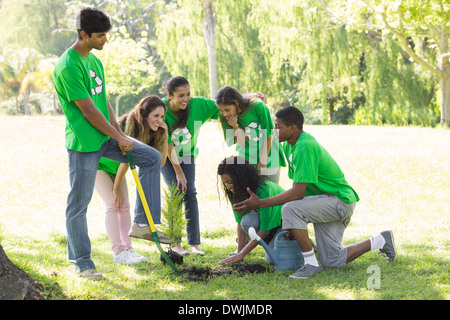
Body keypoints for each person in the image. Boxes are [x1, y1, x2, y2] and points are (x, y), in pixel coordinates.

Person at [53, 8, 169, 280]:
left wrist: (121, 135)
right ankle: (82, 263)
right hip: (84, 145)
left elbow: (104, 103)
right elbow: (89, 111)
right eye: (101, 35)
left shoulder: (95, 62)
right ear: (84, 35)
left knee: (151, 158)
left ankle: (142, 223)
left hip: (106, 137)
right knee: (78, 205)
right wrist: (118, 137)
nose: (106, 40)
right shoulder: (68, 66)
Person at [233, 106, 396, 279]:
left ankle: (311, 264)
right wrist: (294, 226)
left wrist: (261, 203)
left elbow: (297, 194)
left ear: (292, 128)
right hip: (325, 201)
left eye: (278, 126)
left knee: (289, 208)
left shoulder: (305, 147)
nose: (274, 131)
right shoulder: (290, 145)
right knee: (332, 260)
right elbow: (303, 191)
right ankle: (381, 240)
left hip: (339, 201)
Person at [94, 96, 169, 265]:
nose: (159, 120)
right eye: (156, 116)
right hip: (100, 165)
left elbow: (161, 162)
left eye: (162, 117)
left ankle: (128, 249)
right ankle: (118, 251)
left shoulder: (152, 131)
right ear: (145, 114)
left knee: (125, 205)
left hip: (117, 169)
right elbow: (126, 160)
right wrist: (115, 188)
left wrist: (165, 135)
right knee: (112, 204)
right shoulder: (130, 126)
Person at [217, 156, 286, 265]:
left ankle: (297, 240)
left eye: (230, 182)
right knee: (247, 221)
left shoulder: (263, 190)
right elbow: (240, 223)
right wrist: (238, 253)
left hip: (285, 224)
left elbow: (264, 230)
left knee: (271, 260)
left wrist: (241, 255)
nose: (227, 186)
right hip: (270, 225)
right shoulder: (235, 192)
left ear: (241, 178)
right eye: (225, 183)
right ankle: (274, 242)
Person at [215, 86, 286, 183]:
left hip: (268, 153)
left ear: (237, 103)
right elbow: (242, 143)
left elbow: (269, 135)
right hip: (247, 157)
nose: (224, 114)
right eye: (221, 110)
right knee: (249, 193)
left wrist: (263, 161)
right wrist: (235, 126)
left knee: (270, 192)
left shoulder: (258, 106)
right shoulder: (224, 118)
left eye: (227, 109)